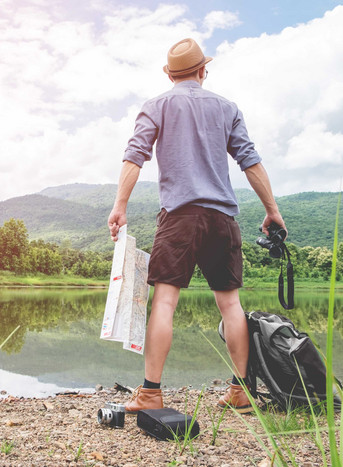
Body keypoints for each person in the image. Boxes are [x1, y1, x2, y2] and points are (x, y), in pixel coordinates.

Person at [107, 38, 286, 414]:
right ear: (203, 70)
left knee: (166, 302)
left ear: (169, 74)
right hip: (222, 219)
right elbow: (250, 161)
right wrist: (272, 210)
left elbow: (134, 156)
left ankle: (151, 393)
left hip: (180, 218)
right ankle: (241, 392)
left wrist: (120, 205)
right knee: (231, 305)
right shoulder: (227, 108)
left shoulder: (156, 105)